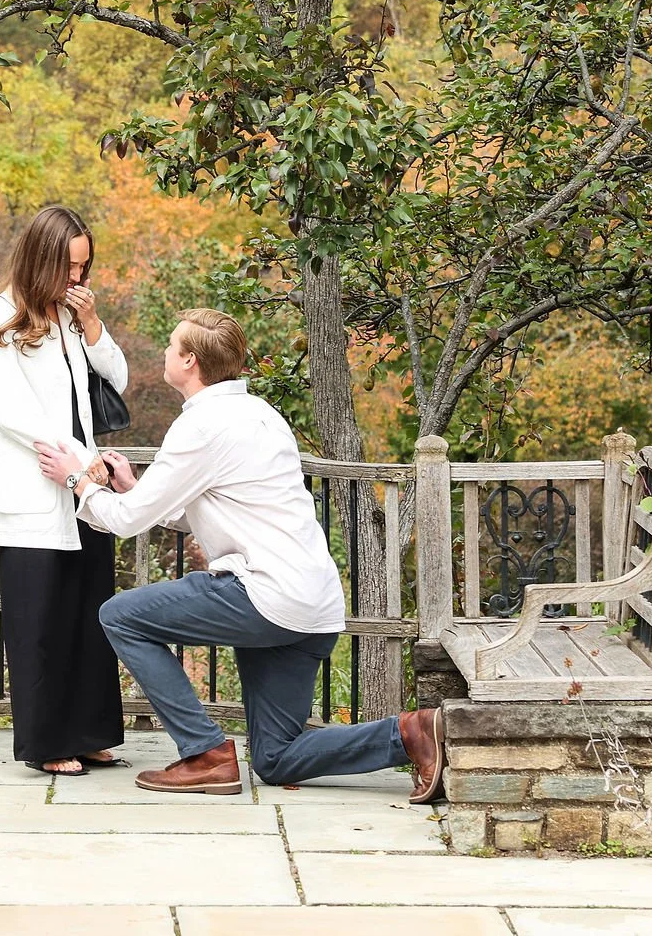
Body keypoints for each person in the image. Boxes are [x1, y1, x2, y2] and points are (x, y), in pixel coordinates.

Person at [34, 308, 444, 799]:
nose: (164, 352)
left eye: (170, 346)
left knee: (121, 616)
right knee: (275, 758)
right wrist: (136, 488)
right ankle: (410, 734)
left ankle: (205, 754)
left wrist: (76, 480)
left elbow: (124, 521)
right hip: (312, 607)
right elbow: (220, 508)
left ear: (188, 361)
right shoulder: (261, 414)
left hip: (264, 595)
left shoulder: (201, 426)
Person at [0, 205, 132, 776]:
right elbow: (5, 407)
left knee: (89, 613)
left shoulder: (70, 317)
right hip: (36, 488)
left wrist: (93, 329)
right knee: (39, 618)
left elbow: (118, 383)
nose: (78, 279)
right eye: (69, 267)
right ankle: (46, 743)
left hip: (83, 490)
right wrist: (80, 461)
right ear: (41, 259)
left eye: (85, 268)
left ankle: (89, 732)